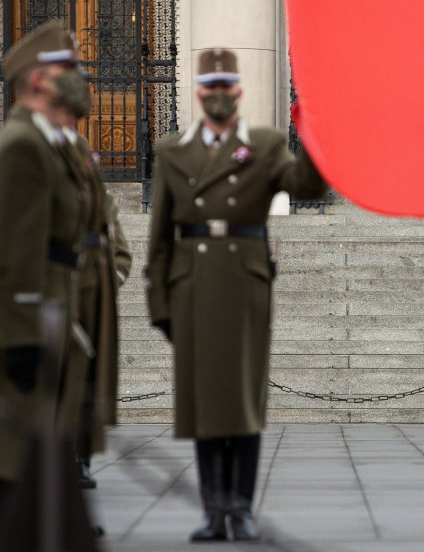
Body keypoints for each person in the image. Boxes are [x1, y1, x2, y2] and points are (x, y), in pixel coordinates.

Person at [144, 48, 325, 542]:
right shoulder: (173, 152)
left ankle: (241, 508)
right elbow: (159, 239)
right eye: (210, 87)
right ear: (199, 93)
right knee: (203, 405)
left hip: (245, 288)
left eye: (226, 86)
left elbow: (305, 185)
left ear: (239, 91)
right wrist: (159, 305)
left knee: (244, 402)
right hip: (193, 288)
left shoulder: (264, 146)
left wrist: (315, 130)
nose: (218, 95)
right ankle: (212, 510)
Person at [0, 21, 94, 549]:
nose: (80, 77)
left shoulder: (49, 142)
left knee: (34, 468)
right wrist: (23, 339)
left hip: (49, 310)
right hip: (26, 321)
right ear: (37, 80)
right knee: (12, 465)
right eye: (68, 69)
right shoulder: (21, 145)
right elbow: (12, 254)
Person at [60, 118, 133, 489]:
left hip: (91, 299)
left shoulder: (103, 200)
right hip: (55, 294)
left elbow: (121, 253)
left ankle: (82, 460)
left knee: (87, 381)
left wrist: (106, 284)